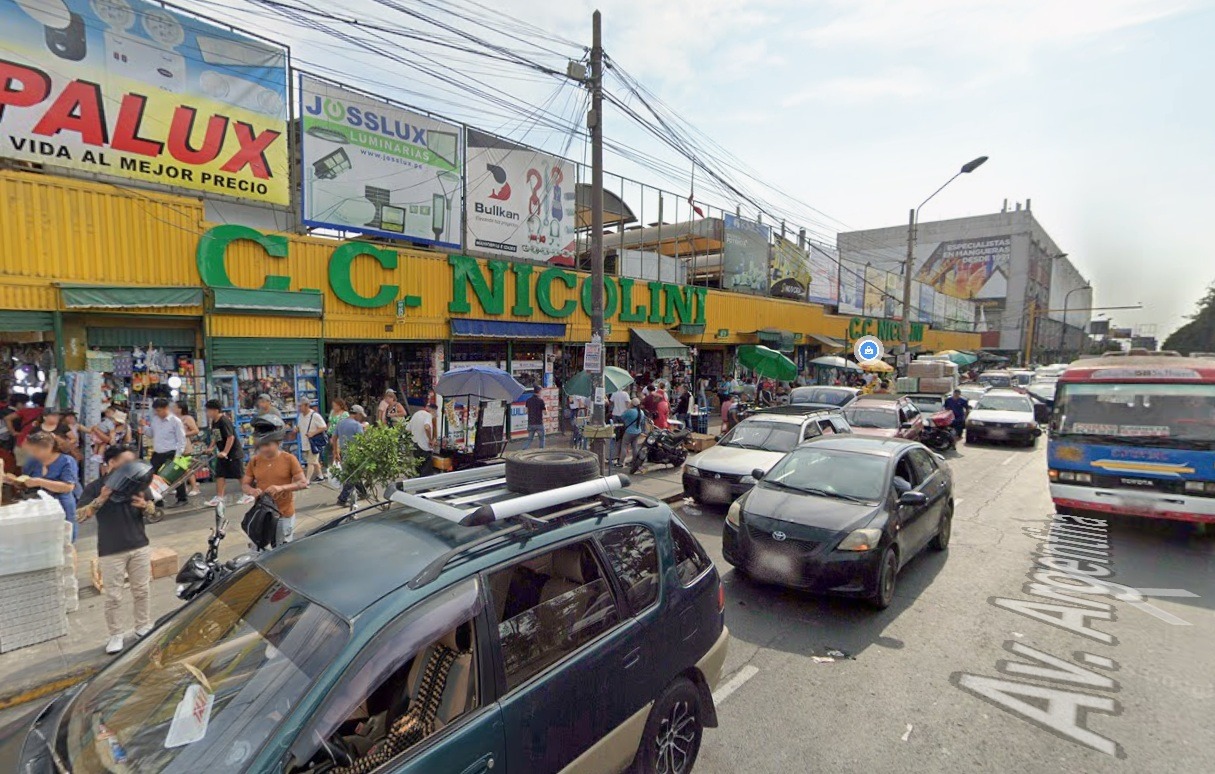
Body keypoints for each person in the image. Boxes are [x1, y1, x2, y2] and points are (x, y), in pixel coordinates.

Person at [77, 445, 154, 654]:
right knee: (113, 596)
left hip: (139, 545)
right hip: (111, 550)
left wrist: (145, 506)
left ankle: (143, 625)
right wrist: (101, 498)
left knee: (142, 590)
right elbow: (81, 516)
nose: (131, 466)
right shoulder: (95, 487)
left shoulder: (138, 484)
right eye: (126, 462)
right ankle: (116, 634)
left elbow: (154, 512)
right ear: (111, 463)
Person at [242, 417, 308, 544]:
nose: (264, 449)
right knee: (258, 549)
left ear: (278, 442)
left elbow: (303, 482)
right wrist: (252, 491)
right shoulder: (254, 461)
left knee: (282, 551)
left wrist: (281, 488)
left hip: (284, 514)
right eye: (261, 446)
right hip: (263, 515)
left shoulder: (289, 459)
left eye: (267, 445)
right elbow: (245, 484)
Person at [6, 431, 80, 542]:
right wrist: (14, 481)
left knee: (65, 540)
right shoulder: (32, 461)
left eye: (36, 450)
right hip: (37, 506)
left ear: (49, 447)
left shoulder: (66, 461)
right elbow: (26, 481)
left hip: (61, 504)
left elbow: (68, 487)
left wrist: (41, 482)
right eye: (31, 451)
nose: (33, 454)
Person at [142, 398, 187, 508]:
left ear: (166, 408)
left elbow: (181, 439)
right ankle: (158, 500)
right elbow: (151, 434)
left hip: (171, 452)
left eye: (159, 410)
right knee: (152, 477)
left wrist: (178, 456)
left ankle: (182, 498)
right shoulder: (155, 420)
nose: (157, 413)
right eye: (156, 411)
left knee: (174, 477)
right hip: (158, 452)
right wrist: (144, 426)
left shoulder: (175, 421)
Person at [204, 399, 243, 507]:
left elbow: (231, 437)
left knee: (239, 474)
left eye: (208, 410)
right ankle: (219, 497)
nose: (207, 413)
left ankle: (248, 494)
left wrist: (225, 452)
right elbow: (215, 436)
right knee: (219, 474)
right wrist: (211, 447)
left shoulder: (224, 420)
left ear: (216, 410)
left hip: (233, 452)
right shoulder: (214, 421)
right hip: (222, 452)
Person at [334, 405, 368, 506]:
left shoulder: (340, 423)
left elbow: (334, 438)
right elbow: (362, 441)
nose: (361, 418)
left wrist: (336, 452)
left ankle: (363, 493)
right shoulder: (357, 425)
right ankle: (342, 499)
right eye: (361, 415)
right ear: (357, 414)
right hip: (354, 454)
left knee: (354, 474)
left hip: (343, 453)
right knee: (353, 477)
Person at [172, 401, 202, 496]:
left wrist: (183, 434)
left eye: (175, 407)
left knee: (186, 468)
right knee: (177, 467)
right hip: (175, 446)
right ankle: (182, 487)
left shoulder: (187, 418)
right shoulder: (173, 418)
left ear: (180, 409)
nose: (173, 408)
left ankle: (194, 487)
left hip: (184, 446)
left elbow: (196, 430)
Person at [298, 399, 328, 484]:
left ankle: (307, 480)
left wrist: (313, 433)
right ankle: (320, 476)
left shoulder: (315, 415)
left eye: (301, 406)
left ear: (307, 405)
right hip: (305, 442)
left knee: (310, 462)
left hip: (314, 443)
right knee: (314, 461)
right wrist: (297, 429)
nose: (299, 408)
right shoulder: (301, 416)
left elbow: (324, 427)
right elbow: (300, 427)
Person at [408, 402, 437, 476]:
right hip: (424, 447)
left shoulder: (416, 414)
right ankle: (425, 487)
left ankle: (419, 485)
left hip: (415, 444)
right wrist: (430, 439)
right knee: (426, 471)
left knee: (418, 469)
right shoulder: (428, 415)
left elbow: (408, 429)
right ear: (433, 411)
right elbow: (427, 427)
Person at [618, 398, 649, 466]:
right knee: (634, 447)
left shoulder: (630, 411)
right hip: (638, 431)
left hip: (629, 431)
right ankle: (634, 462)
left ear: (632, 404)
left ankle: (620, 462)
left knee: (624, 446)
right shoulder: (641, 412)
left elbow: (621, 417)